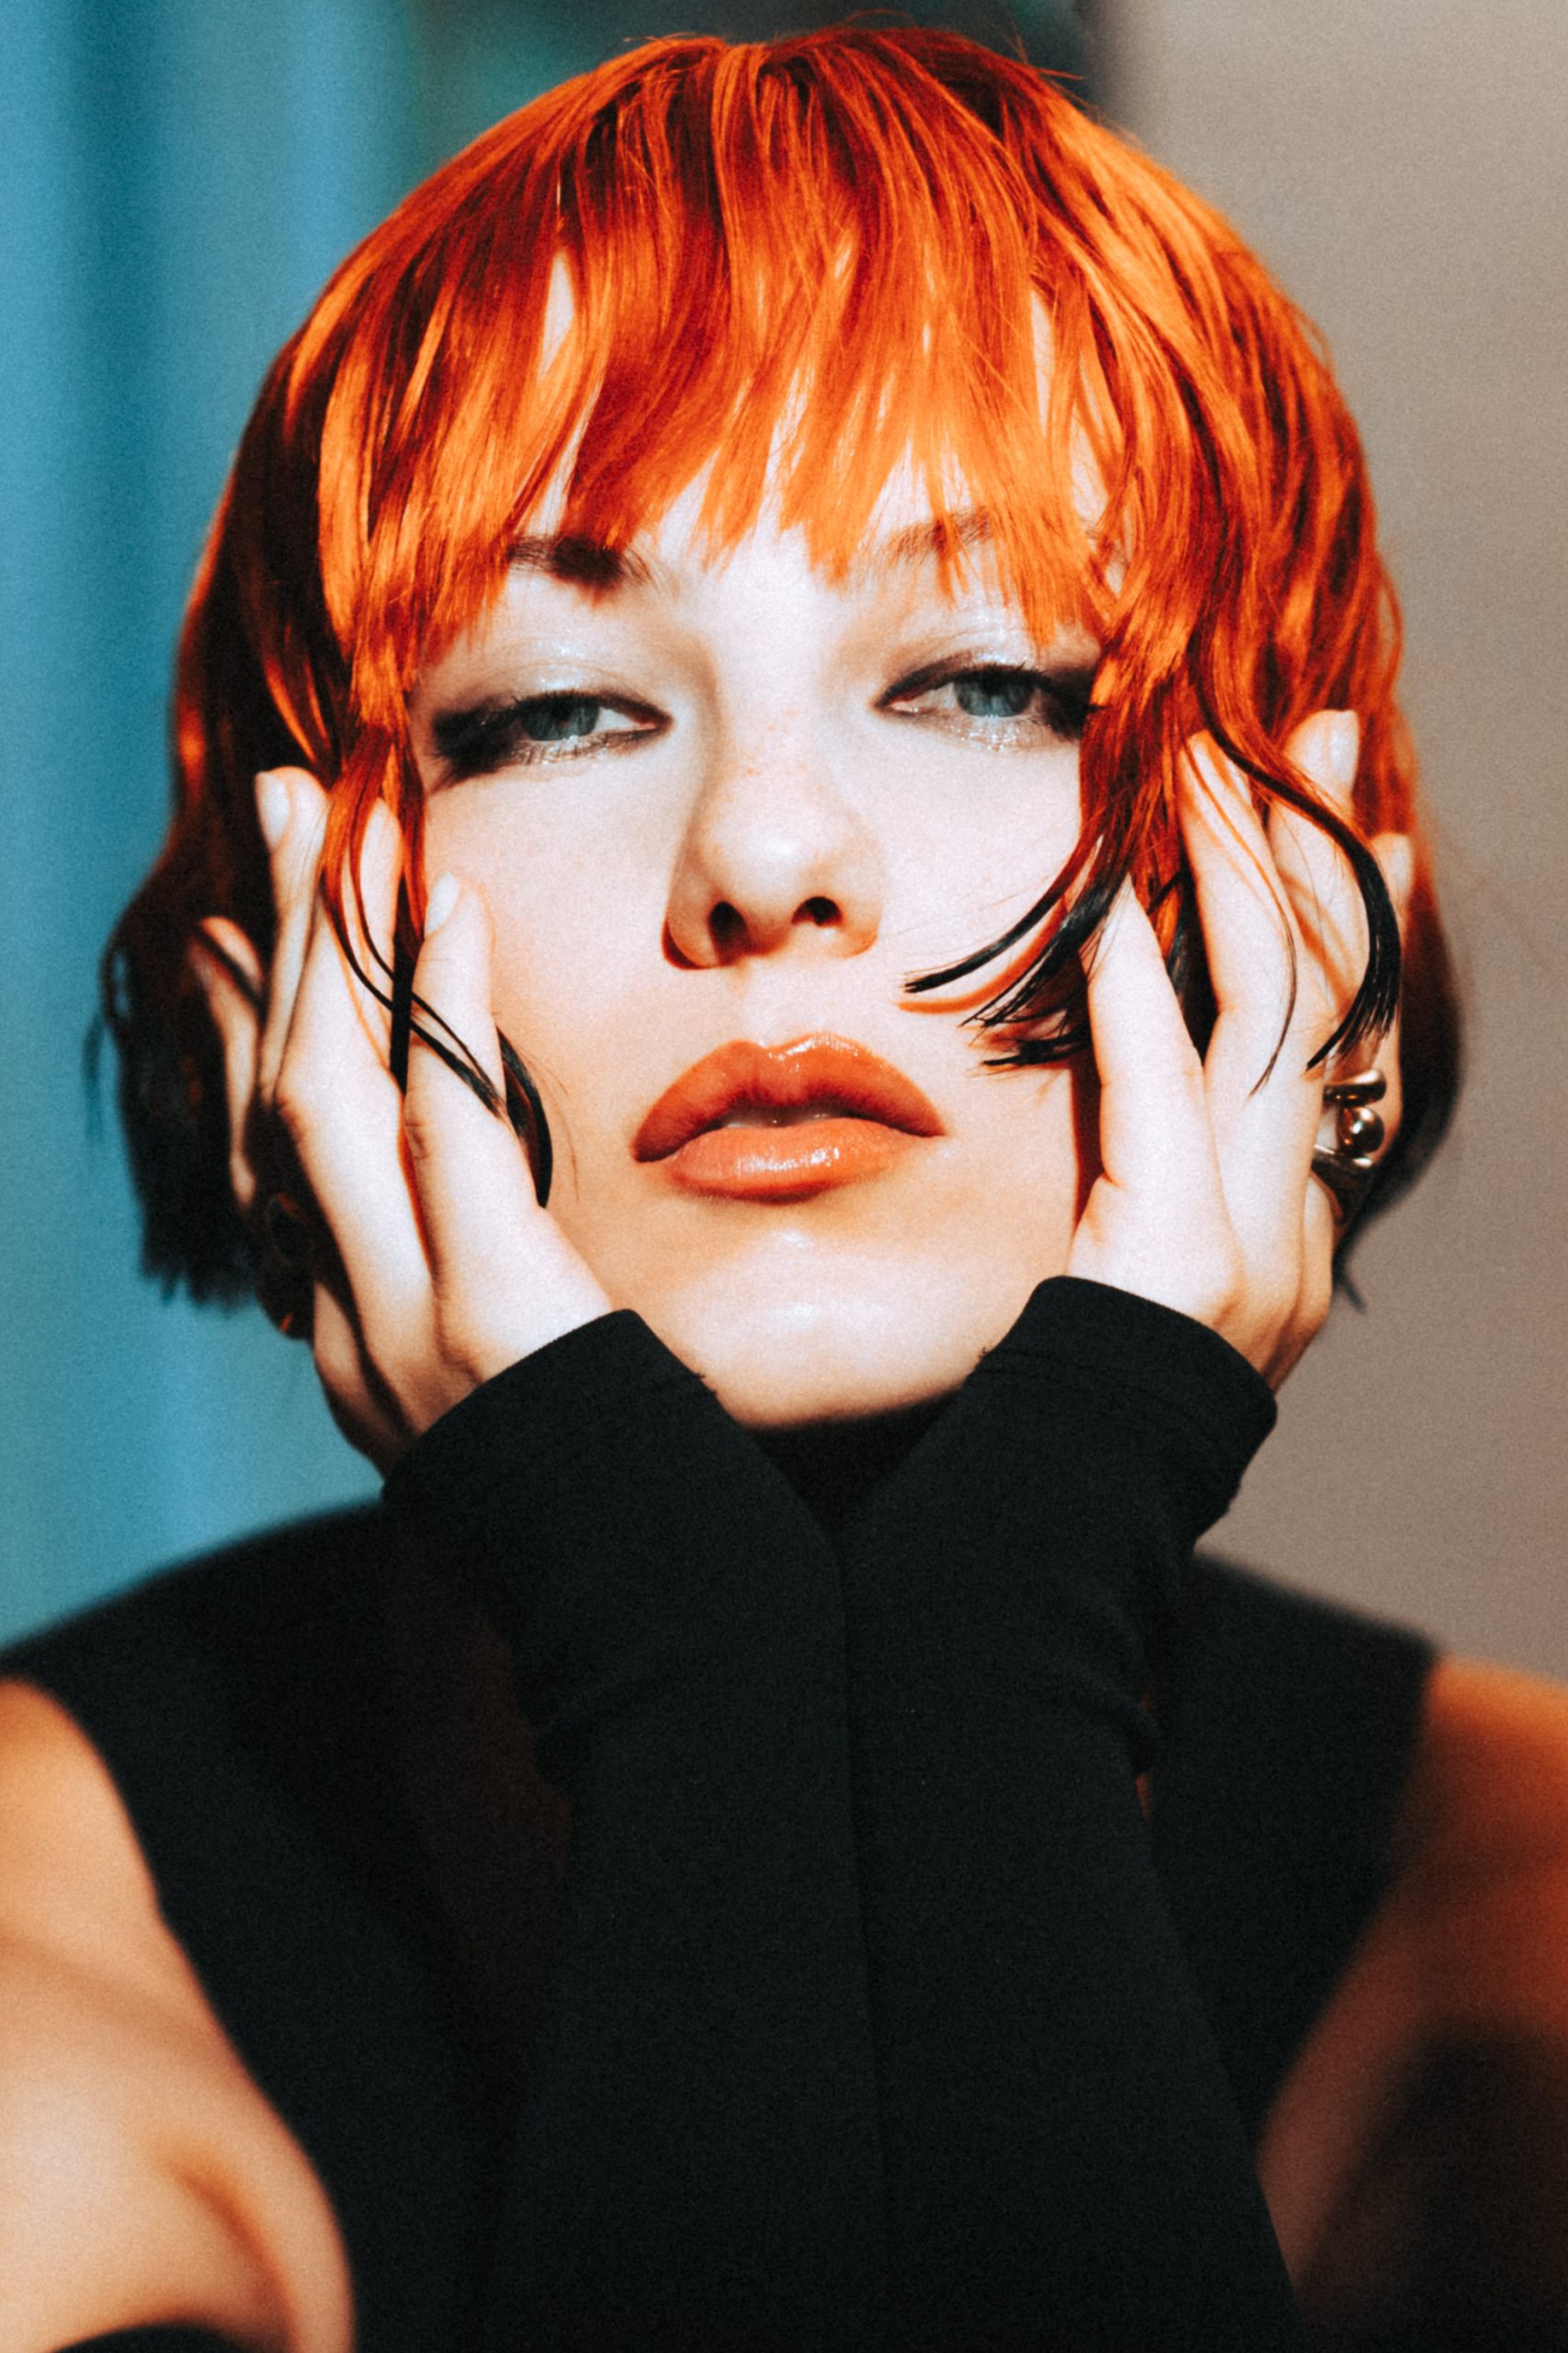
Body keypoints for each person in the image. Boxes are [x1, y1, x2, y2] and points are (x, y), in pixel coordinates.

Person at [3, 23, 1565, 2350]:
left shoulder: (1516, 1936)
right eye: (555, 709)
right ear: (268, 990)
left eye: (985, 679)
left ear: (1312, 911)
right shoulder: (39, 1970)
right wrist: (689, 1655)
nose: (763, 854)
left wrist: (979, 1637)